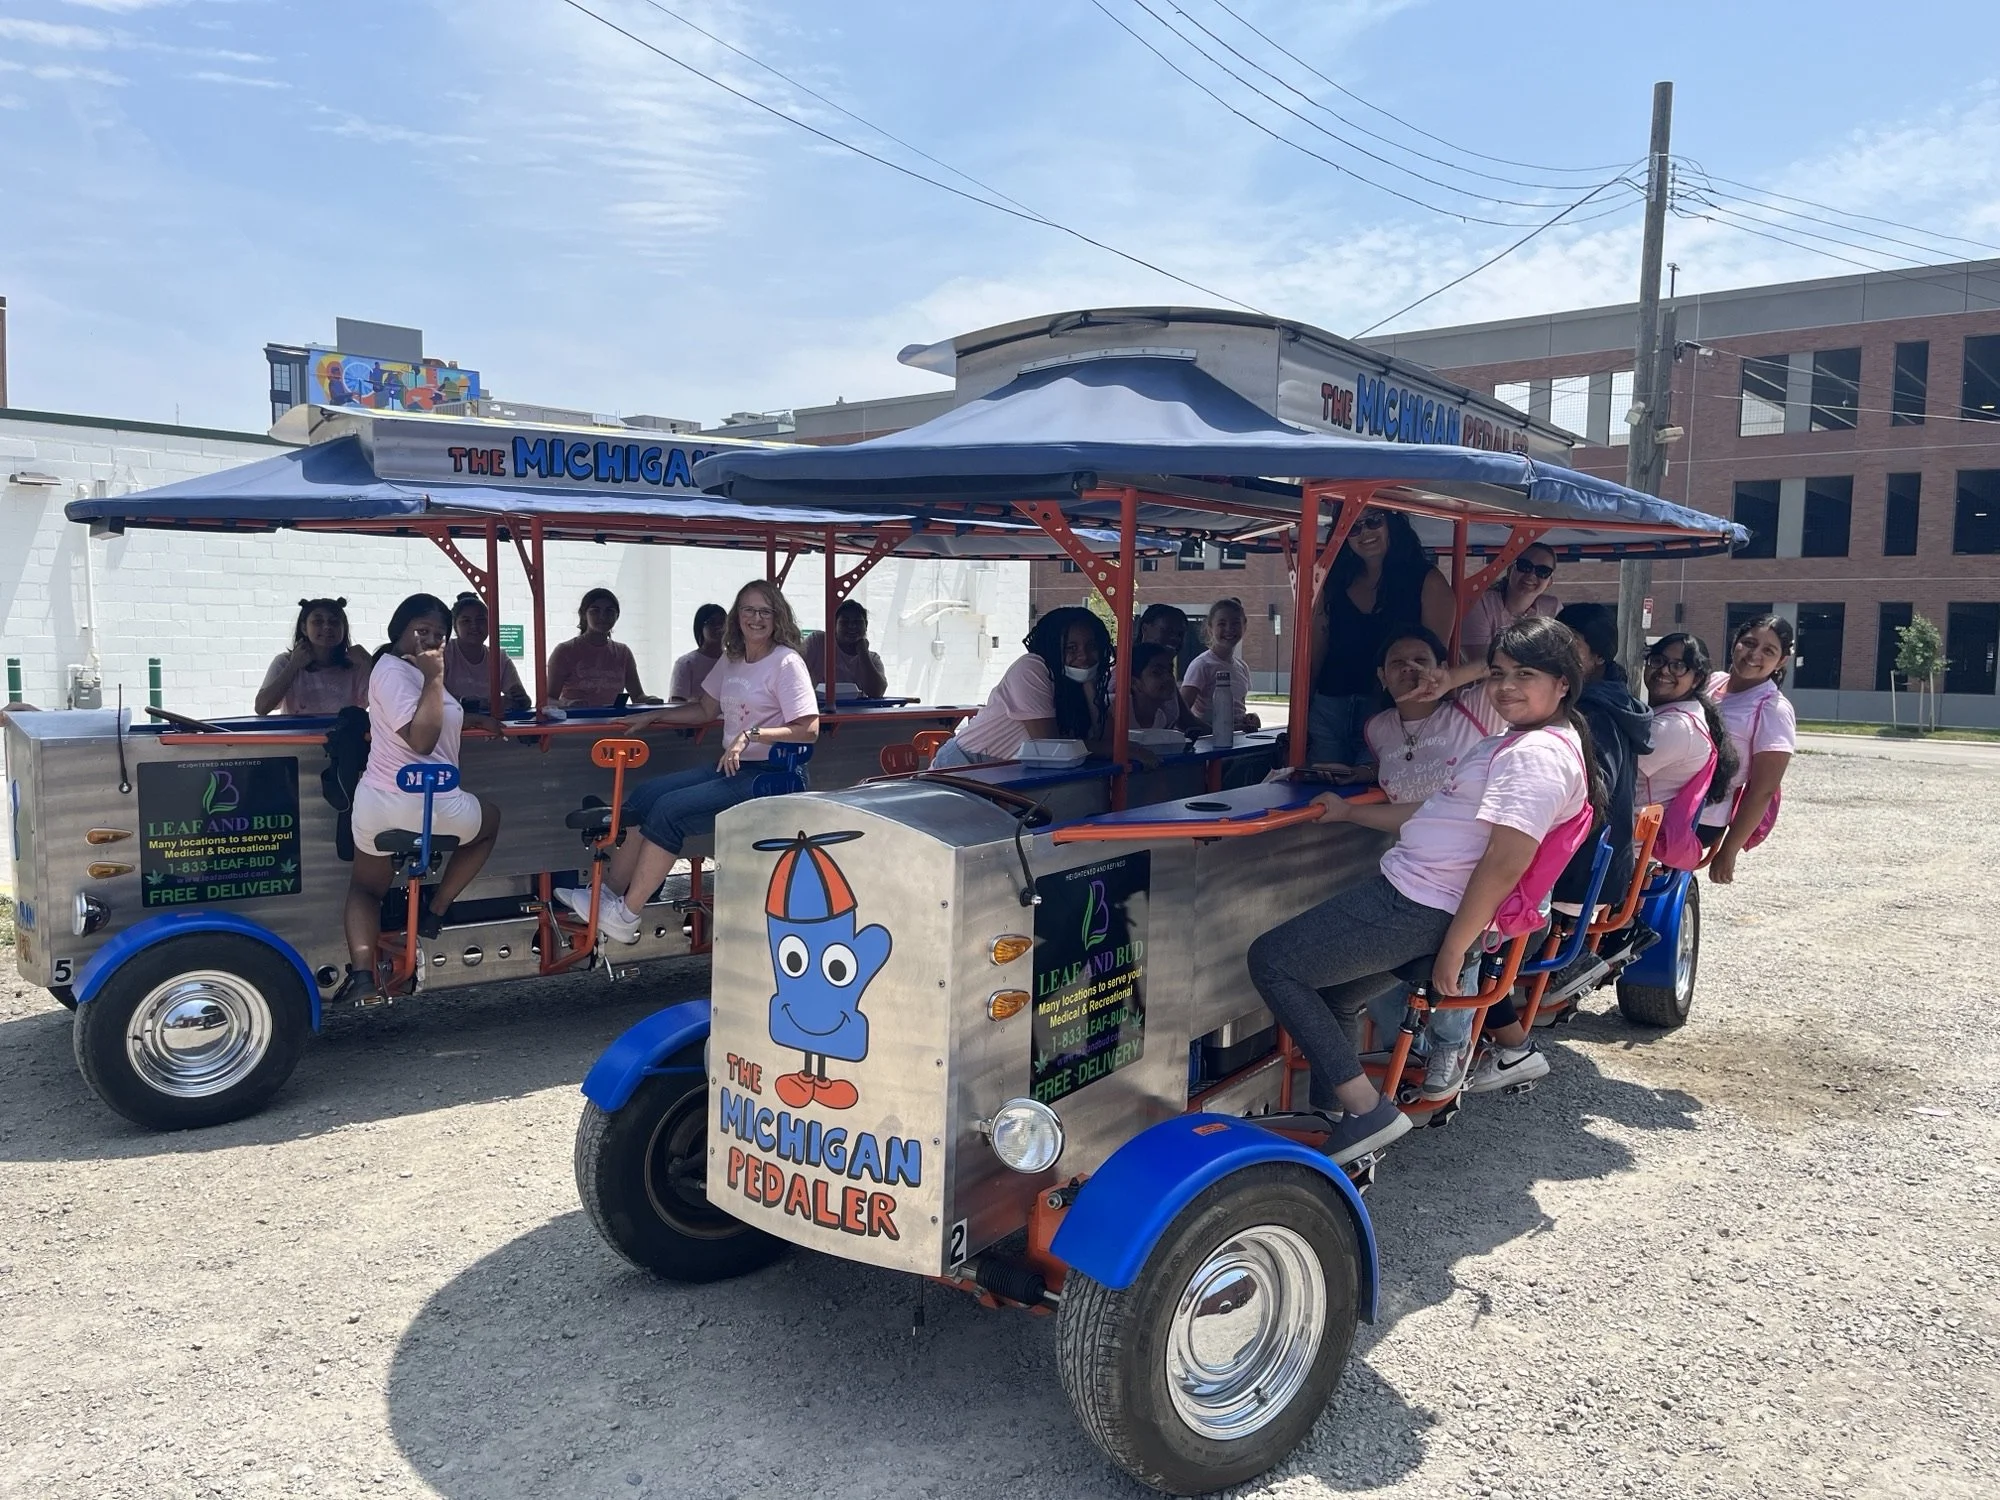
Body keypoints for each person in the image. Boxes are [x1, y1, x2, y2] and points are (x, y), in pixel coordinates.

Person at [1246, 617, 1603, 1156]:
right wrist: (1349, 812)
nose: (1506, 686)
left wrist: (1456, 947)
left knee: (1273, 962)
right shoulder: (1515, 742)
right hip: (1421, 896)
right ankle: (1335, 1117)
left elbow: (1506, 860)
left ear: (1563, 683)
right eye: (1498, 673)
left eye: (1525, 674)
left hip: (1420, 902)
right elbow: (1436, 812)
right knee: (1335, 995)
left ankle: (1367, 1113)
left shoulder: (1538, 755)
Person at [553, 581, 818, 943]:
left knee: (669, 810)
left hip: (771, 775)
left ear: (778, 617)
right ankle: (607, 897)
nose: (756, 618)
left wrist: (752, 735)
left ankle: (627, 916)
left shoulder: (786, 662)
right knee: (646, 795)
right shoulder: (732, 659)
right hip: (733, 767)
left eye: (765, 611)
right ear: (737, 616)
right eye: (748, 610)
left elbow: (809, 729)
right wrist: (655, 716)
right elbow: (705, 709)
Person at [336, 594, 501, 1003]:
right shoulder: (397, 671)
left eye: (438, 635)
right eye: (421, 631)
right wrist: (434, 677)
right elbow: (422, 740)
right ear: (400, 630)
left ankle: (363, 974)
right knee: (490, 820)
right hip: (441, 809)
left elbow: (434, 717)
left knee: (365, 889)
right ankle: (437, 908)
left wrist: (471, 716)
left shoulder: (408, 671)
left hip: (383, 806)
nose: (429, 641)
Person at [1308, 508, 1455, 766]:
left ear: (1392, 523)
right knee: (1317, 786)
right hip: (1328, 708)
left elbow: (1434, 658)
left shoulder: (1428, 581)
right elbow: (1315, 651)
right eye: (1353, 527)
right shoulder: (1332, 581)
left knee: (1376, 786)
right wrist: (1299, 713)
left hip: (1390, 710)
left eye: (1374, 521)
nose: (1364, 532)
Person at [930, 608, 1115, 769]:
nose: (1084, 656)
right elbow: (1050, 746)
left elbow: (1108, 738)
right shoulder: (1031, 667)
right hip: (965, 764)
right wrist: (1115, 749)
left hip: (1008, 769)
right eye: (1071, 648)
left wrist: (1089, 684)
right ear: (1052, 647)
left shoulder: (1078, 681)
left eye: (1092, 646)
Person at [1700, 614, 1797, 884]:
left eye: (1768, 651)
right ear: (1735, 643)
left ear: (1781, 661)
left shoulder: (1772, 709)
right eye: (1750, 643)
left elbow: (1763, 790)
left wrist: (1729, 850)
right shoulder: (1712, 682)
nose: (1755, 655)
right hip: (1664, 799)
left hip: (1702, 816)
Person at [1637, 632, 1738, 811]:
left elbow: (1609, 769)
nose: (1664, 670)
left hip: (1636, 826)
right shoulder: (1690, 711)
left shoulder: (1676, 727)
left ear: (1696, 679)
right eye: (1658, 660)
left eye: (1678, 666)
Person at [255, 598, 372, 716]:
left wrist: (371, 664)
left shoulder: (356, 665)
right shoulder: (284, 662)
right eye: (318, 621)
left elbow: (381, 703)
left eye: (334, 622)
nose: (327, 627)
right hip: (297, 729)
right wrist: (293, 666)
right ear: (304, 628)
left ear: (344, 628)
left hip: (344, 729)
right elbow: (261, 708)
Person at [547, 588, 660, 709]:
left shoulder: (623, 653)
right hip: (576, 720)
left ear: (617, 616)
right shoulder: (565, 651)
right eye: (595, 611)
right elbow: (547, 699)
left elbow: (637, 696)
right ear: (583, 615)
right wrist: (568, 704)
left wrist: (650, 700)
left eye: (609, 611)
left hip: (614, 720)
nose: (602, 616)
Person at [1457, 544, 1561, 664]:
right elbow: (1481, 664)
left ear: (1549, 582)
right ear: (1510, 570)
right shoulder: (1481, 603)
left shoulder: (1553, 608)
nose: (1531, 575)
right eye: (1524, 566)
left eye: (1543, 571)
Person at [1179, 598, 1262, 732]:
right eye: (1222, 624)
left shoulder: (1242, 667)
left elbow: (1237, 709)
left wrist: (1250, 718)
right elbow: (1180, 715)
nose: (1229, 629)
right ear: (1210, 628)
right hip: (1209, 742)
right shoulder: (1202, 665)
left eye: (1235, 623)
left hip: (1238, 740)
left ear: (1244, 626)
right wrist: (1217, 730)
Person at [442, 593, 530, 716]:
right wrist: (482, 704)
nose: (474, 626)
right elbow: (435, 700)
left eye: (481, 620)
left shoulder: (499, 658)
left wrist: (520, 699)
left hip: (490, 726)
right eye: (466, 621)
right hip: (453, 726)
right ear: (455, 626)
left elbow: (520, 699)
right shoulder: (445, 653)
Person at [801, 600, 890, 700]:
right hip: (819, 708)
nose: (852, 626)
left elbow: (877, 692)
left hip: (856, 710)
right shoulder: (817, 642)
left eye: (857, 622)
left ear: (866, 626)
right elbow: (795, 670)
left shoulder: (873, 659)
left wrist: (863, 653)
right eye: (845, 622)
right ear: (834, 625)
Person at [667, 603, 727, 702]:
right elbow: (677, 702)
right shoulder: (686, 663)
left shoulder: (735, 661)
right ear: (700, 627)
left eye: (722, 622)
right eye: (712, 622)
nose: (718, 627)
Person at [1129, 642, 1185, 731]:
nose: (1168, 678)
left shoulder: (1164, 717)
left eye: (1170, 671)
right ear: (1134, 683)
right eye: (1157, 672)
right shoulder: (1113, 712)